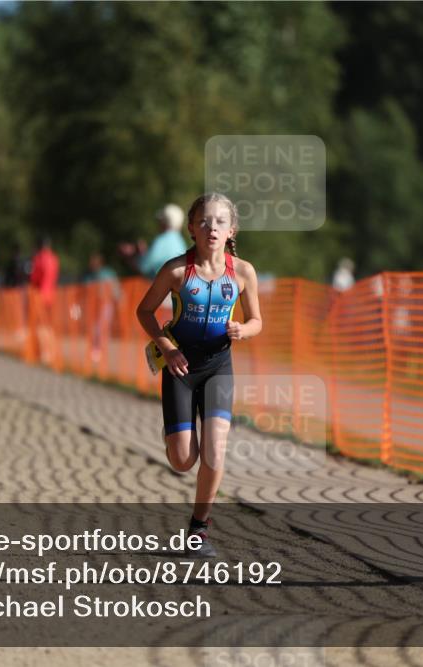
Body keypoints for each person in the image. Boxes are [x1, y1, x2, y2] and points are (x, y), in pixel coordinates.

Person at [136, 193, 262, 558]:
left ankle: (199, 531)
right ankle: (175, 434)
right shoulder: (176, 270)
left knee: (215, 450)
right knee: (182, 460)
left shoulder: (242, 272)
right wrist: (167, 346)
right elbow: (144, 311)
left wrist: (244, 329)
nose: (212, 228)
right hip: (180, 366)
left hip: (218, 366)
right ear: (191, 228)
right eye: (204, 221)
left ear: (231, 230)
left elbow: (257, 320)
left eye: (220, 222)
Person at [120, 203, 188, 278]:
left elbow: (143, 267)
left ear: (164, 222)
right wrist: (144, 254)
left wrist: (130, 256)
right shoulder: (180, 242)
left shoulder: (162, 241)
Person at [82, 252, 121, 364]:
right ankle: (96, 349)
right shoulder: (89, 275)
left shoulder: (107, 274)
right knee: (95, 327)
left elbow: (115, 290)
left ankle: (100, 349)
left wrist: (118, 299)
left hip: (105, 305)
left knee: (102, 327)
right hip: (93, 305)